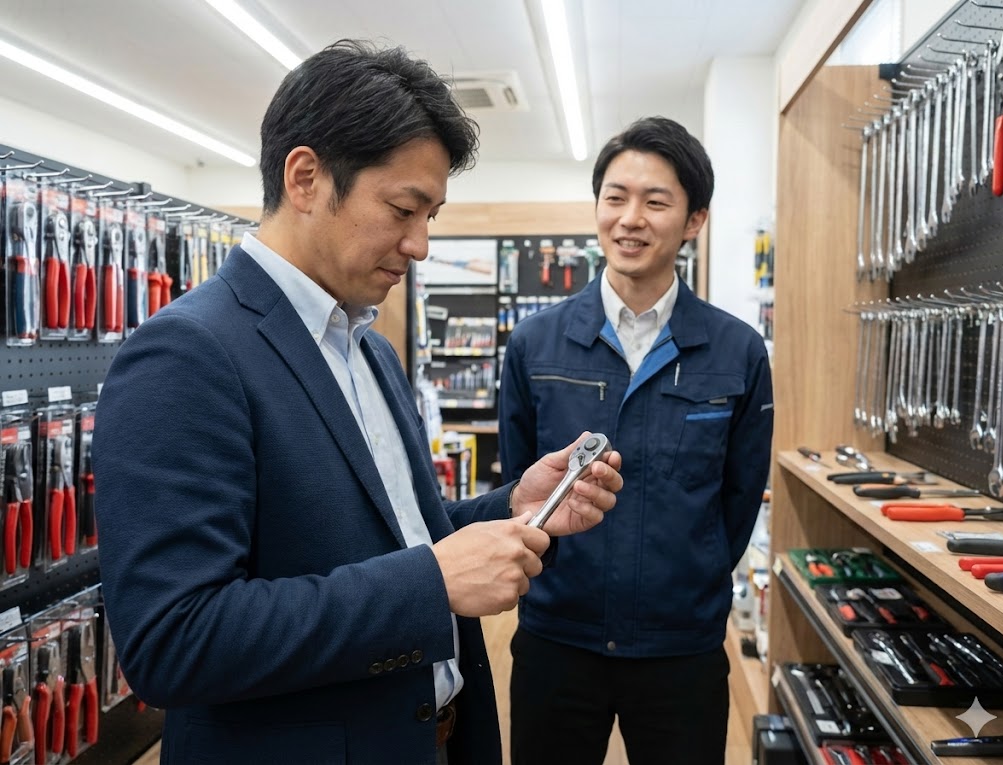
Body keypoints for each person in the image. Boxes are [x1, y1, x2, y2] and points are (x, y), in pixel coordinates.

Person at [93, 39, 622, 765]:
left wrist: (512, 508)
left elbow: (395, 532)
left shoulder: (368, 346)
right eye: (405, 208)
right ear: (306, 177)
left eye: (431, 214)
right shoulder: (185, 354)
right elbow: (174, 639)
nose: (422, 244)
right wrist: (431, 584)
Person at [499, 116, 773, 765]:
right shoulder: (535, 345)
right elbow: (519, 489)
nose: (630, 218)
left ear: (694, 219)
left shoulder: (735, 350)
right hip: (557, 640)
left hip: (680, 649)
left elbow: (738, 500)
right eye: (615, 197)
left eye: (656, 201)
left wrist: (690, 576)